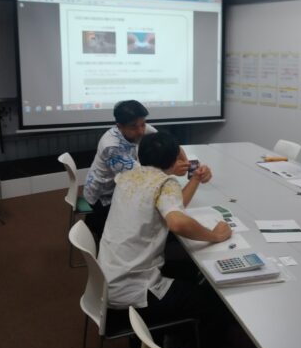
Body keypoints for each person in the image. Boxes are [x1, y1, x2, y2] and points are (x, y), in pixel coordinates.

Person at [98, 131, 231, 348]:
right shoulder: (165, 183)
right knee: (215, 304)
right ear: (173, 159)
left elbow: (173, 206)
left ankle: (170, 335)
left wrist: (194, 179)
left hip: (108, 281)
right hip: (135, 291)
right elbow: (177, 222)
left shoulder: (130, 174)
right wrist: (215, 236)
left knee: (190, 272)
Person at [83, 100, 208, 243]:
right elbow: (143, 179)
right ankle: (97, 223)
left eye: (143, 124)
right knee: (155, 215)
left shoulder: (139, 126)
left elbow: (169, 144)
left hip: (121, 186)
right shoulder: (112, 148)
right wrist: (172, 170)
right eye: (134, 126)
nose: (141, 131)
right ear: (119, 126)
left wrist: (185, 162)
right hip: (103, 197)